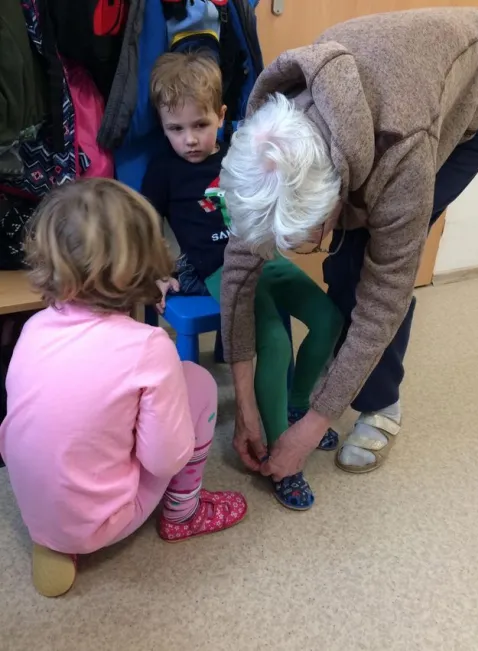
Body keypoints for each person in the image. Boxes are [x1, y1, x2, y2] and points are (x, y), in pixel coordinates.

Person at [218, 8, 478, 480]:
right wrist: (245, 405)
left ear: (337, 193)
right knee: (344, 266)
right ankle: (345, 374)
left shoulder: (405, 149)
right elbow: (240, 272)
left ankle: (382, 404)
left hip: (473, 101)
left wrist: (307, 431)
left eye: (306, 240)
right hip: (390, 88)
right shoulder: (265, 142)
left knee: (369, 263)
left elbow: (385, 298)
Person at [0, 178, 247, 598]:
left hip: (35, 509)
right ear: (144, 264)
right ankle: (182, 514)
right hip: (106, 518)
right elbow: (165, 459)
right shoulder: (148, 346)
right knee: (199, 383)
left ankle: (58, 540)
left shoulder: (33, 327)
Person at [141, 52, 343, 511]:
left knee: (328, 317)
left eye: (200, 124)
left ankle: (295, 404)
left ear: (222, 117)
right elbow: (145, 225)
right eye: (176, 129)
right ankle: (276, 450)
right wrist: (155, 272)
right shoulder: (163, 170)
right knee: (272, 341)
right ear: (162, 125)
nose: (189, 139)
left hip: (267, 260)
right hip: (218, 273)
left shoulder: (243, 151)